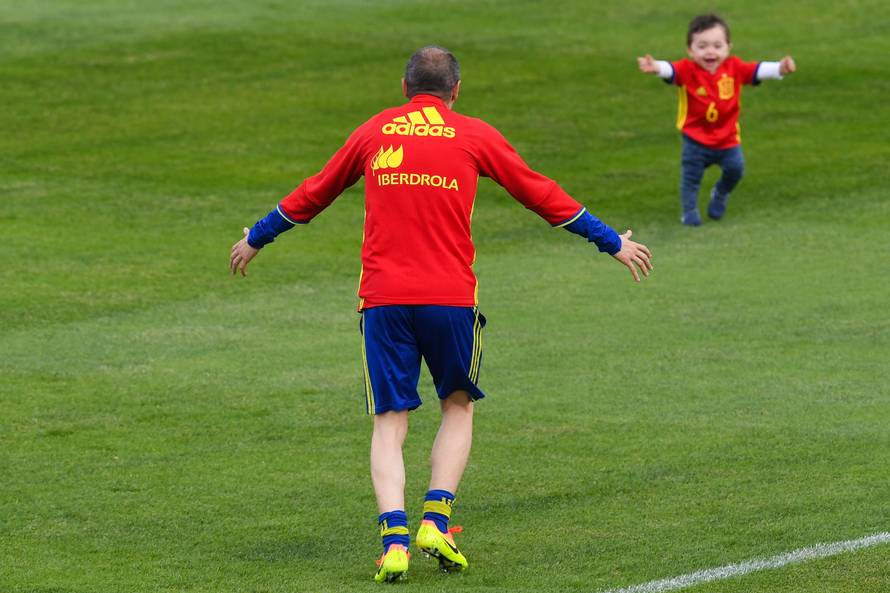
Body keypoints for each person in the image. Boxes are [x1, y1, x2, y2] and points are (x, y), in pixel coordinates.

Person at [230, 45, 652, 582]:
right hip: (450, 298)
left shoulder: (374, 132)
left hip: (383, 300)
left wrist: (257, 238)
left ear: (405, 88)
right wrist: (610, 240)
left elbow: (315, 193)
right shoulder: (475, 136)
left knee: (390, 421)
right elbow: (539, 193)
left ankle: (394, 541)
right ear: (456, 91)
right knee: (457, 404)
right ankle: (437, 518)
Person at [637, 14, 796, 225]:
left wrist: (779, 68)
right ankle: (690, 212)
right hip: (695, 140)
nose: (710, 51)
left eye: (717, 45)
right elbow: (671, 70)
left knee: (736, 169)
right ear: (690, 50)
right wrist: (656, 67)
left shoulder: (734, 68)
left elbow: (756, 70)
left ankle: (720, 193)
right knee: (691, 179)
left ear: (728, 47)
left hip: (728, 139)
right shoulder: (688, 70)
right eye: (702, 46)